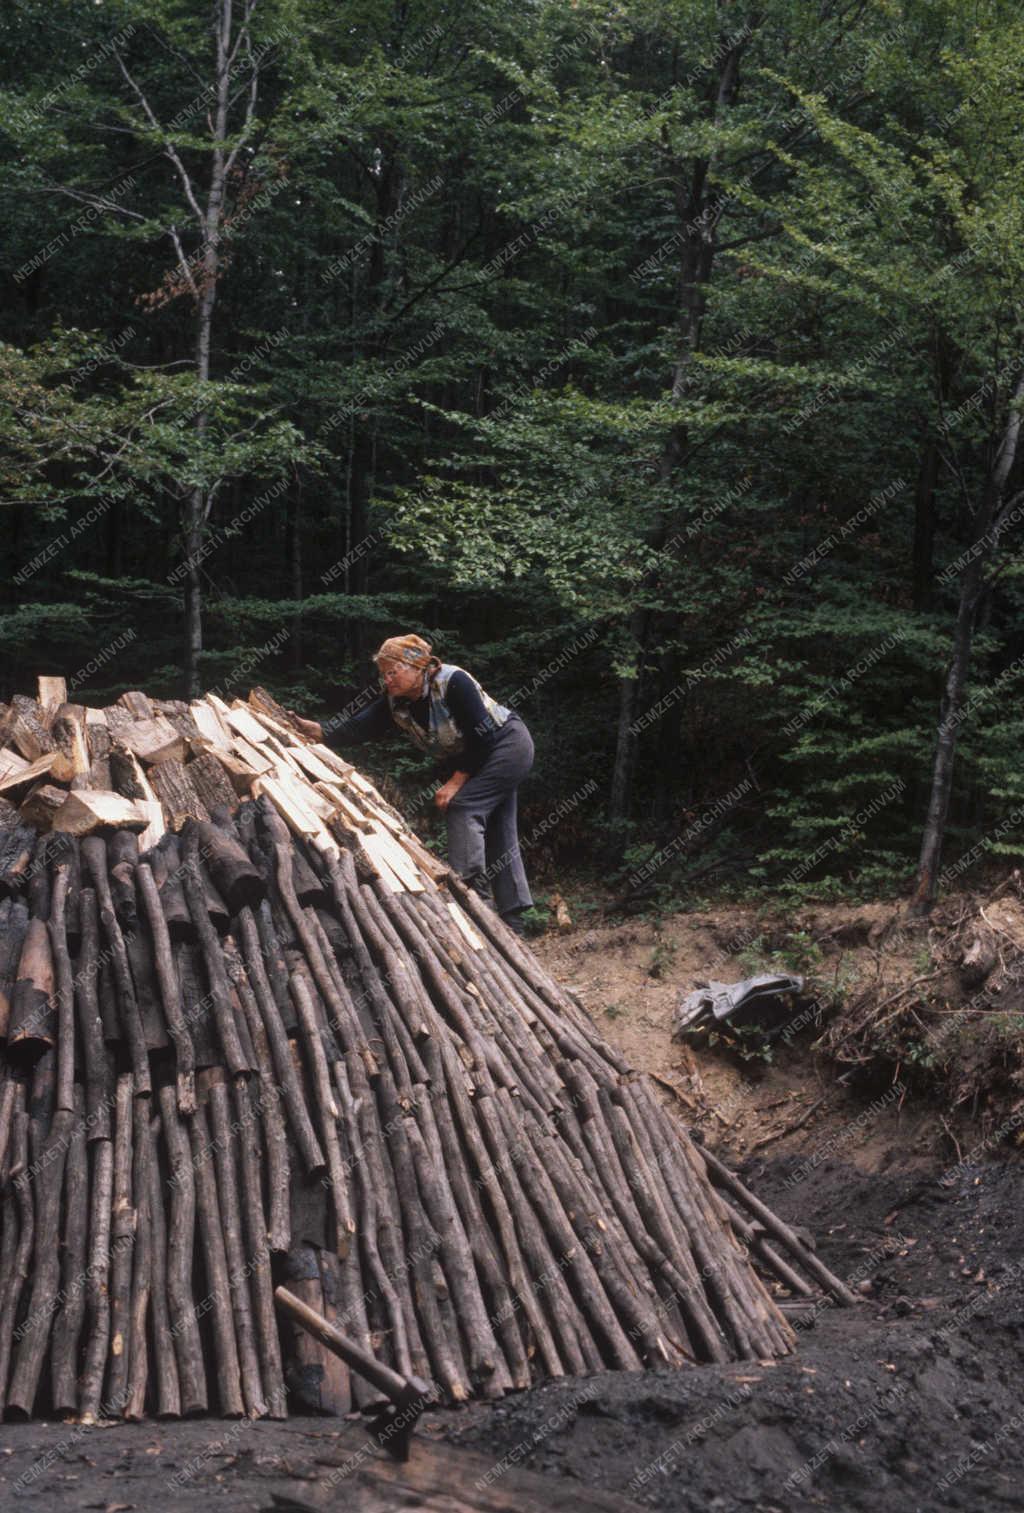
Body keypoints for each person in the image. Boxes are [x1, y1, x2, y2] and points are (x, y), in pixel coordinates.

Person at [292, 634, 534, 935]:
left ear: (417, 666)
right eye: (383, 673)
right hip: (481, 755)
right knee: (498, 826)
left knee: (462, 807)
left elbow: (483, 736)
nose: (388, 679)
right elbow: (359, 726)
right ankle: (513, 922)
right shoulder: (397, 702)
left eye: (393, 671)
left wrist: (456, 781)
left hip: (505, 746)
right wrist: (321, 730)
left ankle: (474, 902)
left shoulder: (453, 681)